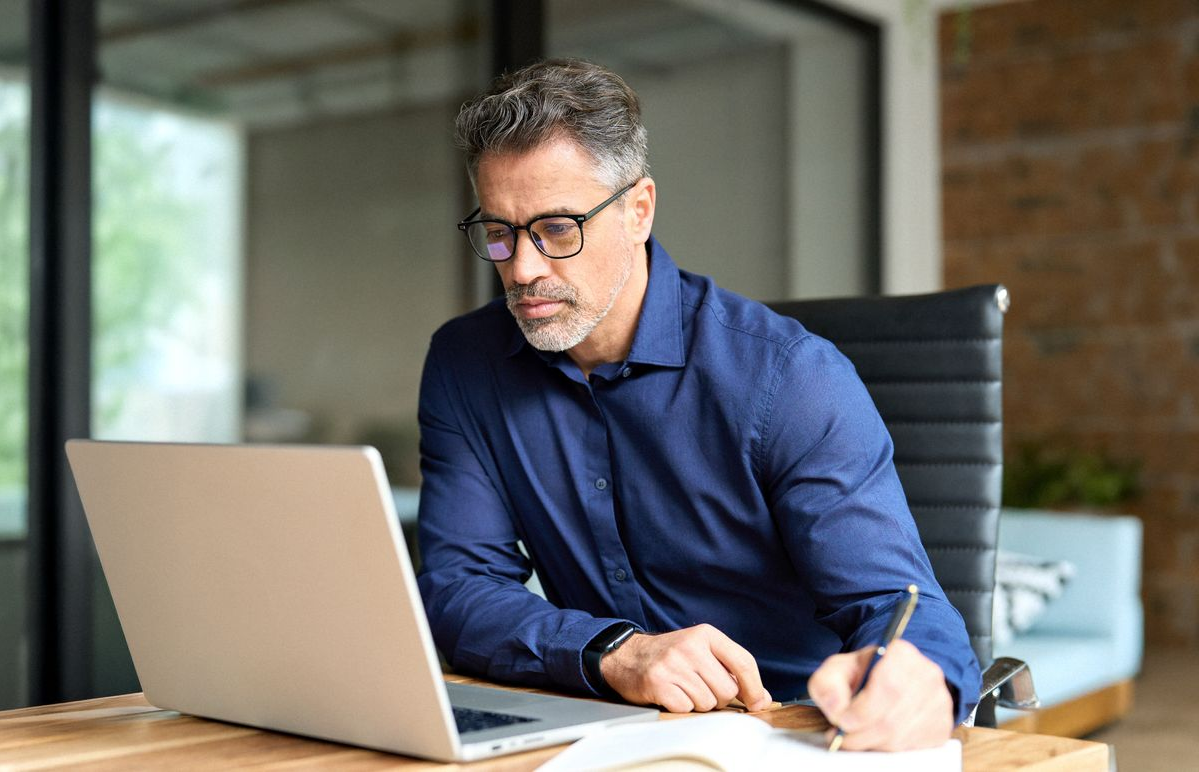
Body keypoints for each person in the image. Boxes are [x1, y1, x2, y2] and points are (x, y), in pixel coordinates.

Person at [416, 58, 980, 752]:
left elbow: (896, 605)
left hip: (789, 730)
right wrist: (615, 653)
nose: (523, 268)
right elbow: (458, 589)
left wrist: (918, 683)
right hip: (596, 726)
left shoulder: (790, 378)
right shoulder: (465, 365)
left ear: (638, 209)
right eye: (498, 233)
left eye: (557, 229)